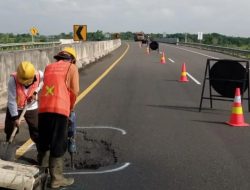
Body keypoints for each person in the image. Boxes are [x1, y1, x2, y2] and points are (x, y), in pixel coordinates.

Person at [38, 47, 79, 189]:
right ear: (72, 59)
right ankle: (56, 179)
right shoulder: (72, 68)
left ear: (59, 57)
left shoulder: (48, 67)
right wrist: (71, 107)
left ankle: (40, 176)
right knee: (57, 142)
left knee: (44, 142)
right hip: (60, 108)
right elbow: (74, 91)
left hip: (43, 108)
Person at [4, 61, 44, 161]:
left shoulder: (39, 75)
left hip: (31, 107)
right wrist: (15, 117)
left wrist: (35, 92)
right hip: (16, 107)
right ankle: (10, 155)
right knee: (10, 129)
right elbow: (11, 100)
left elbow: (44, 81)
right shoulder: (12, 80)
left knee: (36, 129)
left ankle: (42, 155)